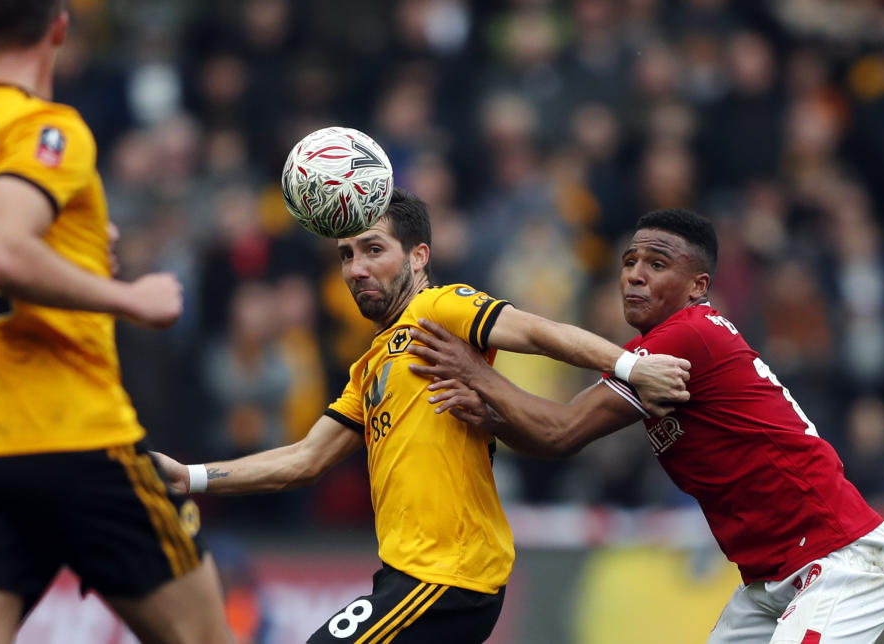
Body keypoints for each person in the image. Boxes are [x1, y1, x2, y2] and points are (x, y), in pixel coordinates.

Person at [154, 188, 691, 643]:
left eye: (372, 250)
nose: (356, 269)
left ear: (417, 257)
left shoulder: (437, 309)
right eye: (346, 255)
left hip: (446, 577)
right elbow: (305, 458)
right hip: (410, 577)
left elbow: (535, 331)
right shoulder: (369, 366)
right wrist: (192, 476)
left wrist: (630, 364)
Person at [407, 208, 884, 643]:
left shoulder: (686, 336)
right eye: (629, 263)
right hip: (769, 577)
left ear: (699, 287)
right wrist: (490, 413)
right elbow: (554, 436)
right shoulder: (651, 353)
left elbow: (560, 431)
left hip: (840, 562)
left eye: (657, 264)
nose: (635, 276)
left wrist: (477, 373)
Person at [0, 3, 231, 643]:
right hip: (76, 439)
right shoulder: (49, 129)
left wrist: (66, 252)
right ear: (59, 27)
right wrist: (130, 297)